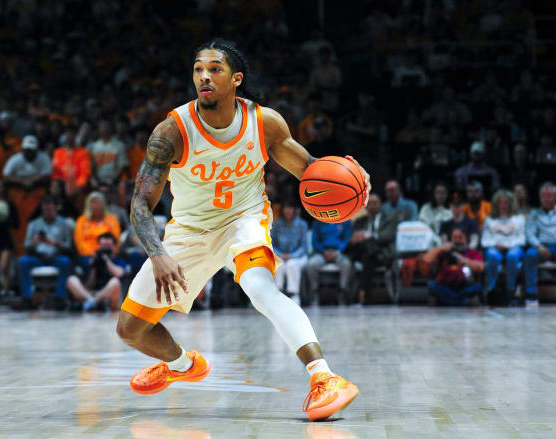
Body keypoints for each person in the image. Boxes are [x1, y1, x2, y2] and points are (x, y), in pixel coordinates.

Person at [115, 39, 369, 421]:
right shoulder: (172, 130)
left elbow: (312, 171)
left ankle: (324, 378)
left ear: (236, 79)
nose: (204, 76)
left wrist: (353, 180)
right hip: (189, 231)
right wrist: (159, 253)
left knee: (261, 289)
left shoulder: (264, 122)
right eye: (198, 68)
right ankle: (184, 365)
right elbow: (139, 203)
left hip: (244, 219)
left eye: (214, 69)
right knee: (130, 329)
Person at [17, 195, 73, 309]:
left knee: (66, 262)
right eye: (45, 210)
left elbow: (69, 247)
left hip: (56, 256)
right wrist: (34, 242)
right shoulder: (33, 224)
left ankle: (60, 297)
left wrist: (53, 243)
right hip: (38, 257)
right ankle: (27, 298)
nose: (48, 212)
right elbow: (26, 247)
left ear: (55, 209)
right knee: (22, 262)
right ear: (42, 210)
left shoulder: (64, 224)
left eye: (50, 210)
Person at [524, 183, 556, 303]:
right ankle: (531, 294)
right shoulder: (534, 214)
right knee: (529, 255)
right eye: (543, 196)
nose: (546, 199)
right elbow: (529, 233)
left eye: (549, 196)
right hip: (542, 246)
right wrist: (539, 246)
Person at [349, 194, 398, 304]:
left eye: (375, 203)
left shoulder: (389, 218)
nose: (372, 206)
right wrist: (357, 238)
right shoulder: (359, 221)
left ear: (381, 205)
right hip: (368, 253)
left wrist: (371, 236)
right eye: (369, 203)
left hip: (376, 251)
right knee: (366, 246)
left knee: (368, 256)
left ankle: (362, 292)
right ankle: (379, 256)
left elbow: (389, 235)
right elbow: (353, 240)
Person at [481, 190, 526, 303]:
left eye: (506, 202)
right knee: (492, 255)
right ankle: (492, 290)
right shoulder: (490, 220)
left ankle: (510, 290)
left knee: (512, 256)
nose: (503, 205)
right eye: (500, 203)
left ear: (511, 203)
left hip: (514, 247)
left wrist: (508, 246)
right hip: (495, 247)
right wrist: (495, 245)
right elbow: (484, 240)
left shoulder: (519, 219)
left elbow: (522, 239)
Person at [67, 233, 126, 311]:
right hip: (91, 294)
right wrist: (93, 266)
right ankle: (93, 302)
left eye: (108, 246)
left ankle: (92, 302)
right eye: (103, 246)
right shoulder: (93, 259)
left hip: (110, 295)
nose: (105, 249)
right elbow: (89, 285)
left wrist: (107, 261)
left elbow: (119, 274)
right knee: (71, 279)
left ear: (114, 246)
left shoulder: (118, 260)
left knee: (115, 282)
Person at [427, 228, 485, 306]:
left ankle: (448, 301)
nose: (457, 241)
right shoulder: (444, 252)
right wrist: (440, 248)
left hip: (465, 287)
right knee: (433, 286)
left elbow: (481, 267)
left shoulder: (472, 252)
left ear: (466, 239)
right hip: (446, 286)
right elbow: (427, 259)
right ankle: (464, 302)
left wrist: (464, 260)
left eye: (460, 238)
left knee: (478, 287)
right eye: (455, 238)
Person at [306, 218, 353, 301]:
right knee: (312, 264)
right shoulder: (318, 221)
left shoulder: (346, 220)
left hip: (338, 252)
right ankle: (314, 291)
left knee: (347, 264)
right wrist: (323, 251)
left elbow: (347, 239)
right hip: (322, 252)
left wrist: (338, 251)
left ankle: (343, 290)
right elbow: (315, 241)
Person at [272, 199, 309, 305]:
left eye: (290, 208)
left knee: (291, 265)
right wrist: (280, 254)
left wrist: (292, 255)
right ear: (282, 210)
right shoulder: (277, 224)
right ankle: (278, 293)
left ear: (294, 210)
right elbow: (272, 244)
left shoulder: (302, 224)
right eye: (286, 208)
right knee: (280, 265)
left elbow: (304, 246)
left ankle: (294, 294)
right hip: (281, 255)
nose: (288, 211)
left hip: (298, 256)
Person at [73, 191, 121, 265]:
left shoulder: (112, 219)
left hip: (109, 255)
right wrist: (94, 253)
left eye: (98, 202)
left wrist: (106, 254)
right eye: (93, 203)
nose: (96, 205)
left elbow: (116, 240)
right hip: (88, 256)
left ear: (104, 204)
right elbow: (79, 242)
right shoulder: (81, 220)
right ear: (88, 205)